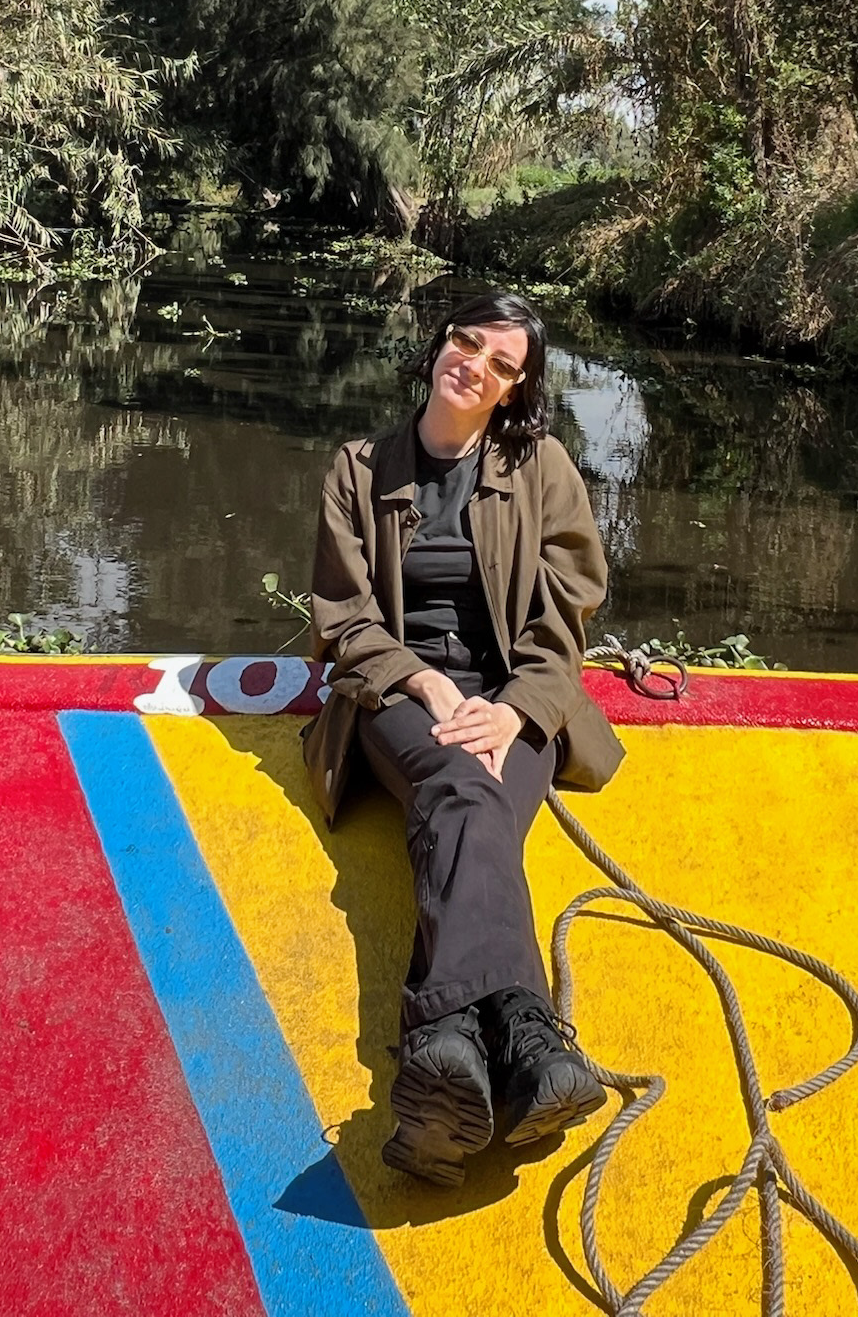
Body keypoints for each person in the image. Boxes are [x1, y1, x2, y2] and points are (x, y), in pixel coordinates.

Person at [303, 290, 625, 1187]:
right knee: (462, 785)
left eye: (501, 362)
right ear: (441, 343)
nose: (474, 364)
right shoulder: (358, 470)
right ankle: (533, 1040)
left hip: (515, 699)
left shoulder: (544, 468)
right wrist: (425, 680)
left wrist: (516, 710)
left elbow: (566, 622)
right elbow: (345, 620)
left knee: (470, 799)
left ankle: (446, 1048)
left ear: (515, 389)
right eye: (466, 341)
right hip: (397, 696)